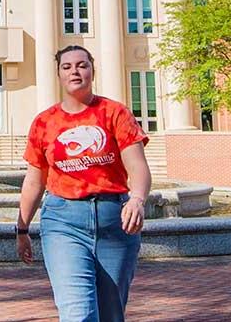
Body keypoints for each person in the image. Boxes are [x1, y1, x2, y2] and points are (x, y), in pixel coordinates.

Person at [15, 46, 152, 322]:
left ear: (92, 70)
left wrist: (137, 199)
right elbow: (34, 181)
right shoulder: (44, 122)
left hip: (116, 221)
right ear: (58, 74)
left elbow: (137, 165)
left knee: (111, 314)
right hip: (64, 222)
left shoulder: (115, 113)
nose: (75, 71)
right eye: (67, 67)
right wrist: (21, 228)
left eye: (82, 65)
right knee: (79, 313)